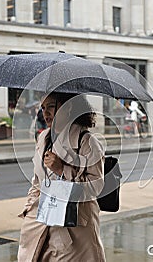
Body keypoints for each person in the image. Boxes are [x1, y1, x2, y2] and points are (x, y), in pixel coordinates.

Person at [17, 92, 106, 261]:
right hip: (41, 226)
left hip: (74, 232)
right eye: (43, 107)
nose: (45, 113)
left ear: (68, 107)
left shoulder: (87, 142)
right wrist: (29, 207)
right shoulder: (43, 138)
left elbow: (96, 188)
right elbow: (37, 181)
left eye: (51, 106)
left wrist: (62, 169)